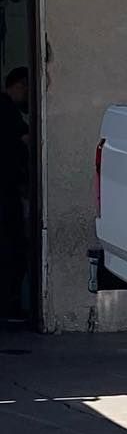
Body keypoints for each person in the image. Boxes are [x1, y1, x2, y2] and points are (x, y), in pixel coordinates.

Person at [0, 66, 30, 321]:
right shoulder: (6, 110)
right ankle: (9, 306)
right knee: (14, 249)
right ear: (19, 86)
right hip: (6, 192)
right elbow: (23, 143)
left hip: (8, 190)